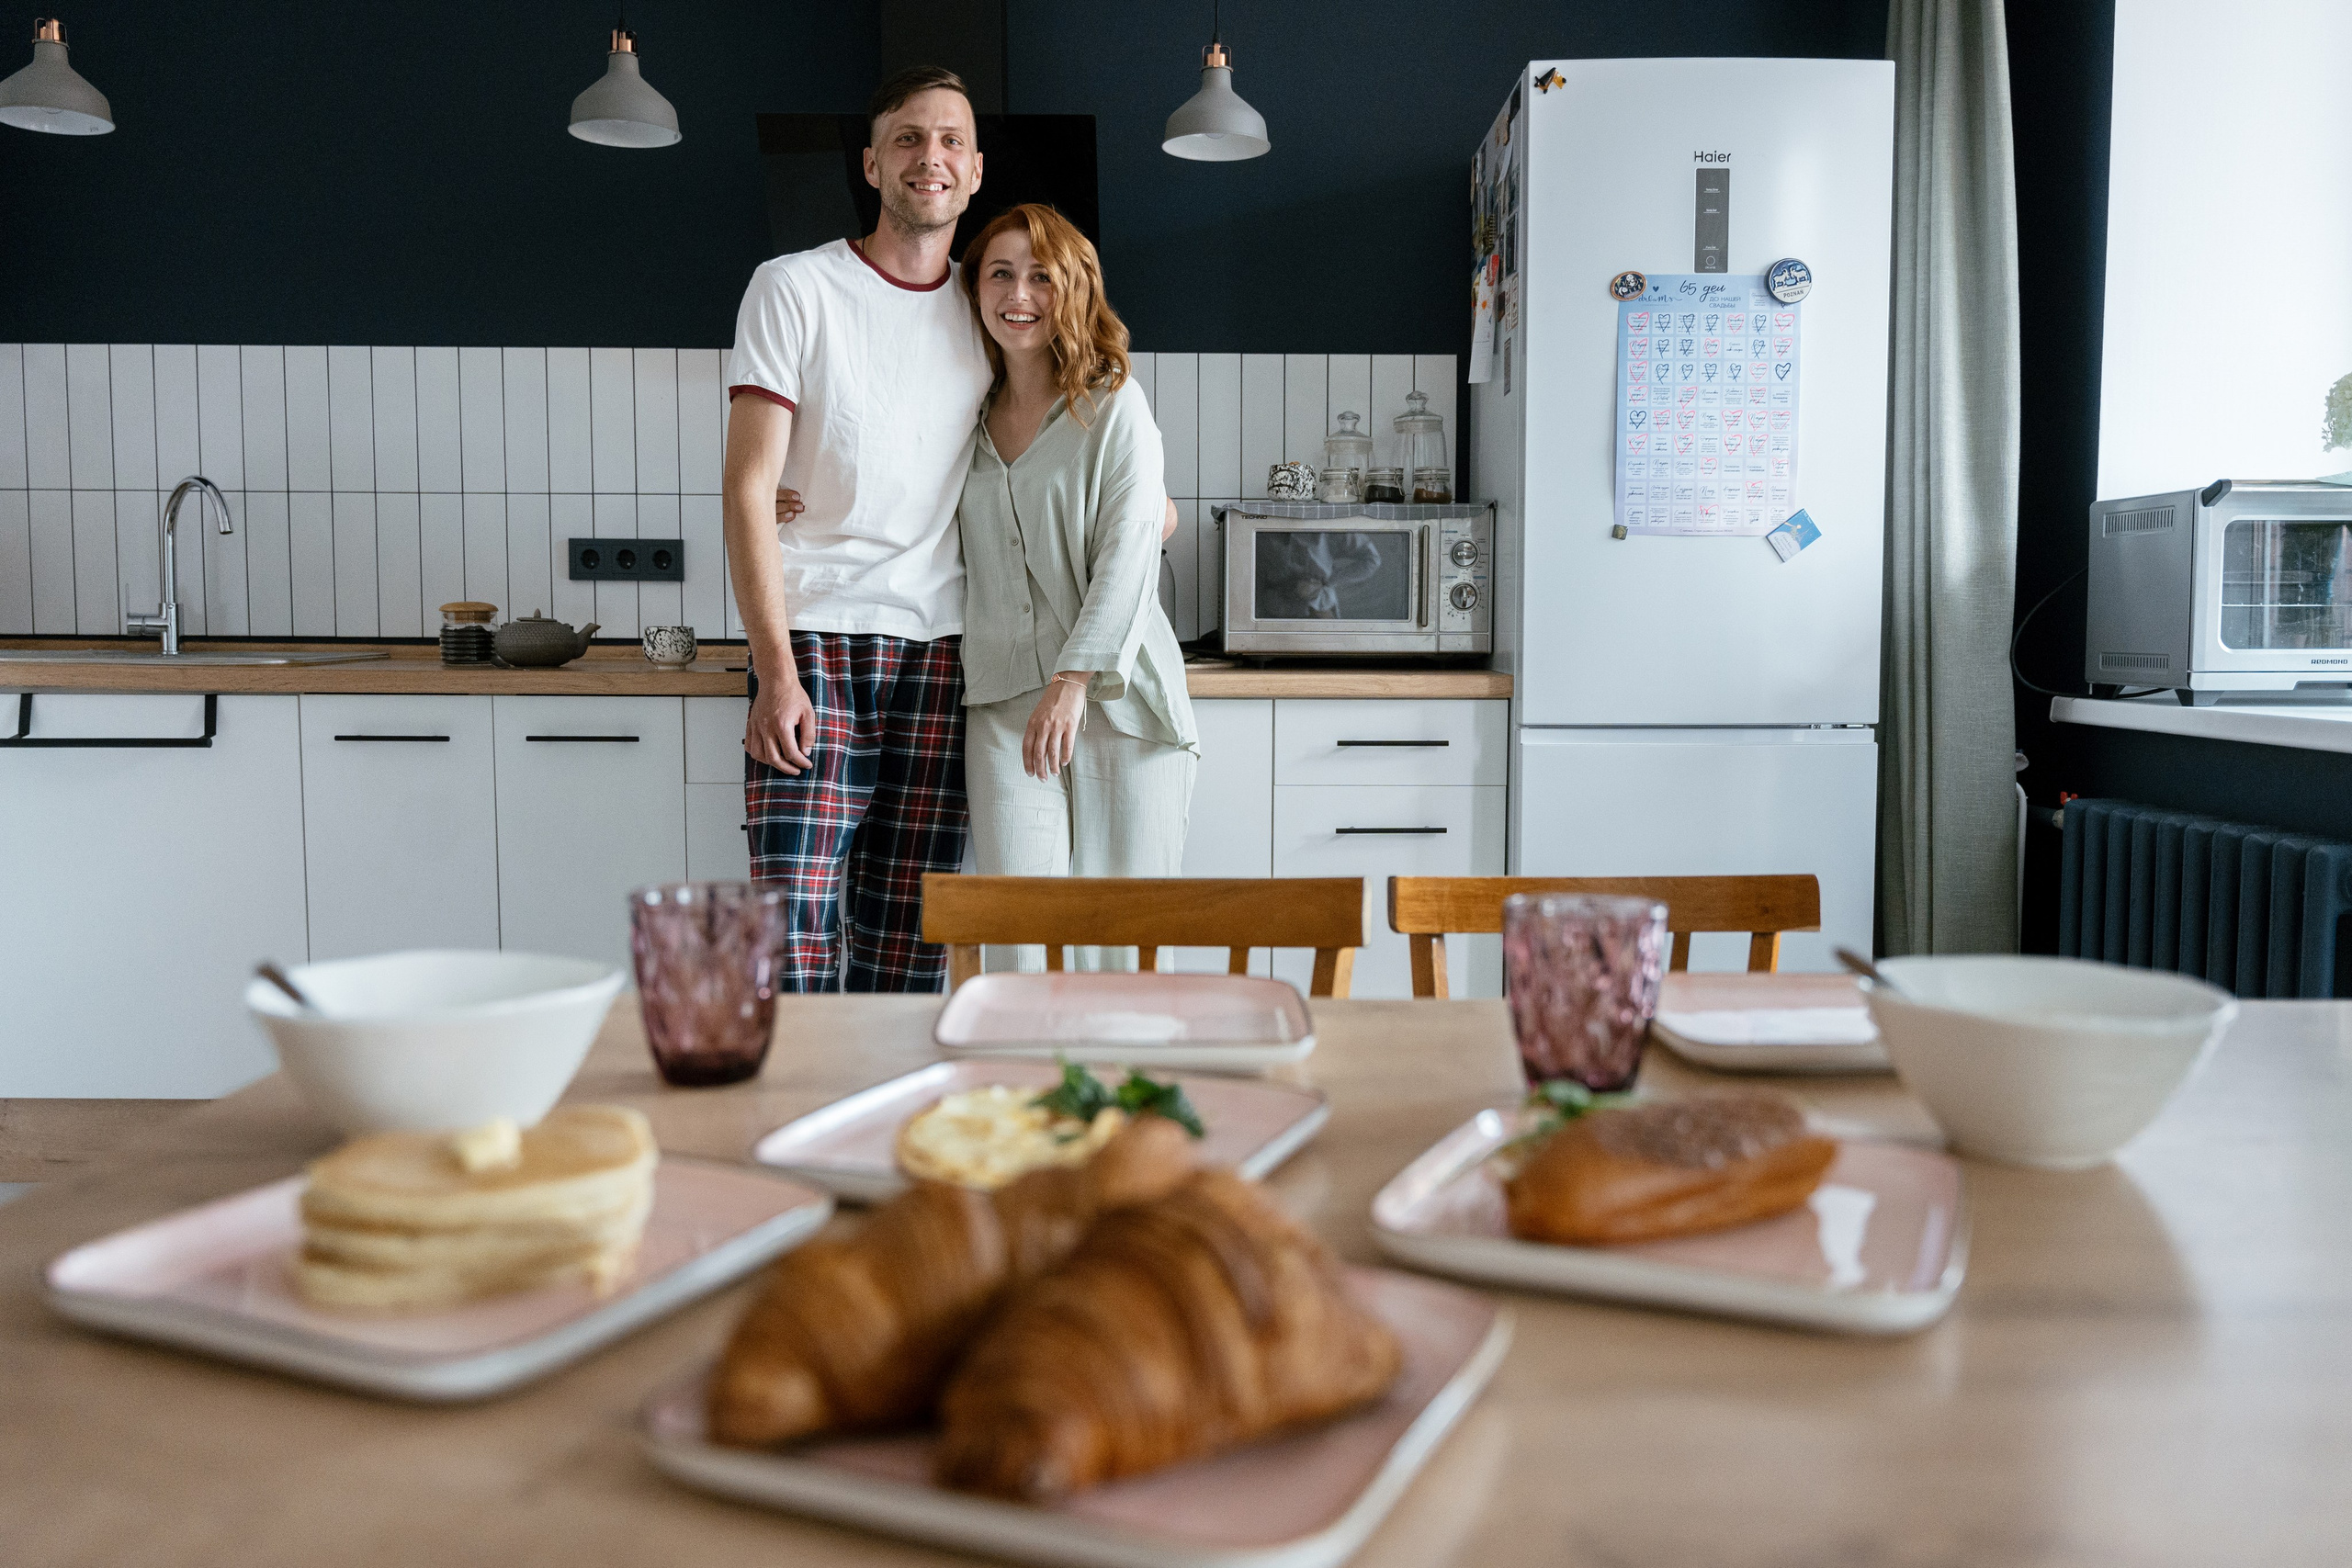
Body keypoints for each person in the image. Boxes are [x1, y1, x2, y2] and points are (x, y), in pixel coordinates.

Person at [719, 64, 992, 991]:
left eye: (951, 139)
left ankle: (892, 1136)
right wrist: (774, 673)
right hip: (814, 641)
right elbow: (750, 485)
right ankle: (786, 1137)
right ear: (872, 165)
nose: (932, 156)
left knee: (907, 955)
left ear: (977, 169)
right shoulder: (794, 287)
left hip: (943, 656)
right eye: (909, 139)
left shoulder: (993, 310)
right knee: (788, 947)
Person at [954, 203, 1198, 969]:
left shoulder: (1115, 402)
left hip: (1121, 703)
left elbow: (1131, 547)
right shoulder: (964, 416)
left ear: (1073, 290)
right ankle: (1025, 1092)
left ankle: (1120, 1093)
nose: (1018, 292)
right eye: (1000, 273)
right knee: (1020, 941)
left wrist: (1073, 680)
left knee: (1117, 944)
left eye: (1040, 276)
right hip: (1002, 705)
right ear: (975, 290)